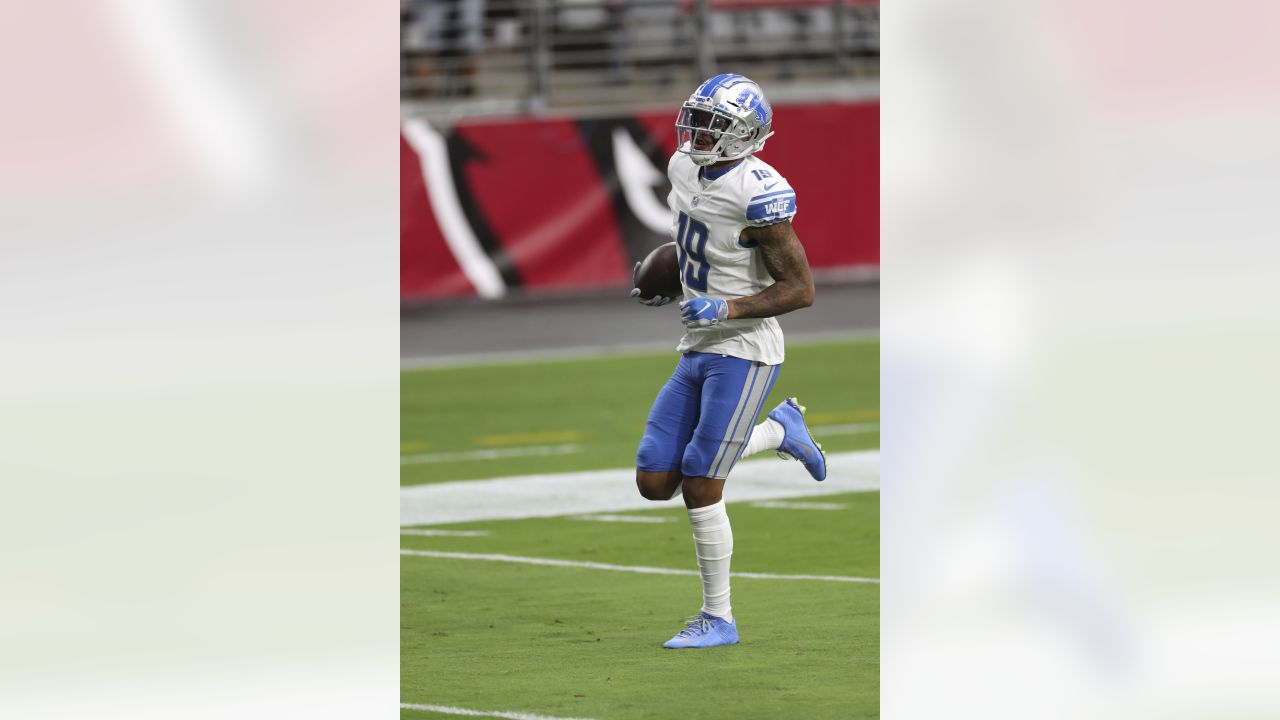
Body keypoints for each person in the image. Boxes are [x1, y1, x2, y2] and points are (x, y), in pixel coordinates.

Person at [628, 73, 828, 649]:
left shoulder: (759, 192)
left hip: (744, 345)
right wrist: (673, 278)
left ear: (745, 135)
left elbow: (800, 289)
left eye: (714, 126)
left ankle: (719, 618)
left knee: (700, 483)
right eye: (697, 121)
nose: (698, 134)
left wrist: (729, 305)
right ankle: (779, 431)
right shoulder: (682, 167)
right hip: (697, 341)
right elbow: (696, 242)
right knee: (653, 480)